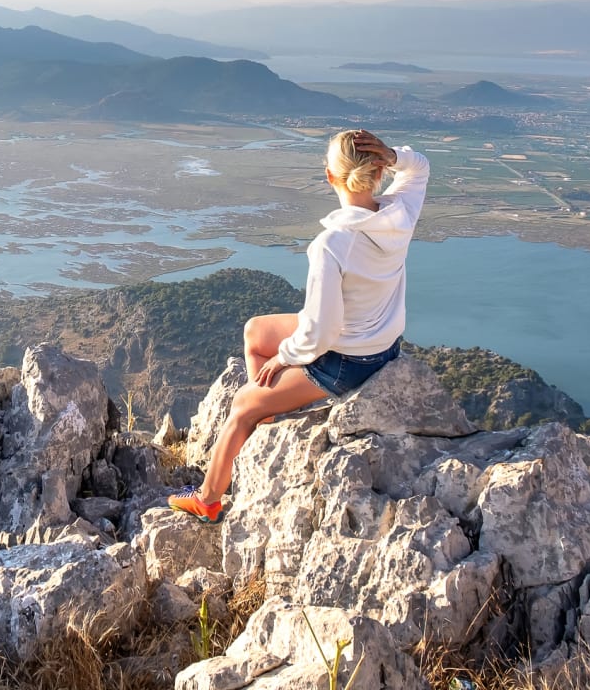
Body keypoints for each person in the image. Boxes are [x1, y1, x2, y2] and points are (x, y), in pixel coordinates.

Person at [168, 129, 430, 523]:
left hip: (348, 359)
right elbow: (421, 169)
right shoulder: (400, 214)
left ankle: (207, 498)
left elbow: (322, 330)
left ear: (330, 176)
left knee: (240, 405)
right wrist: (397, 155)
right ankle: (269, 414)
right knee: (256, 331)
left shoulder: (332, 244)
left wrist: (284, 359)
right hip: (382, 345)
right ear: (380, 169)